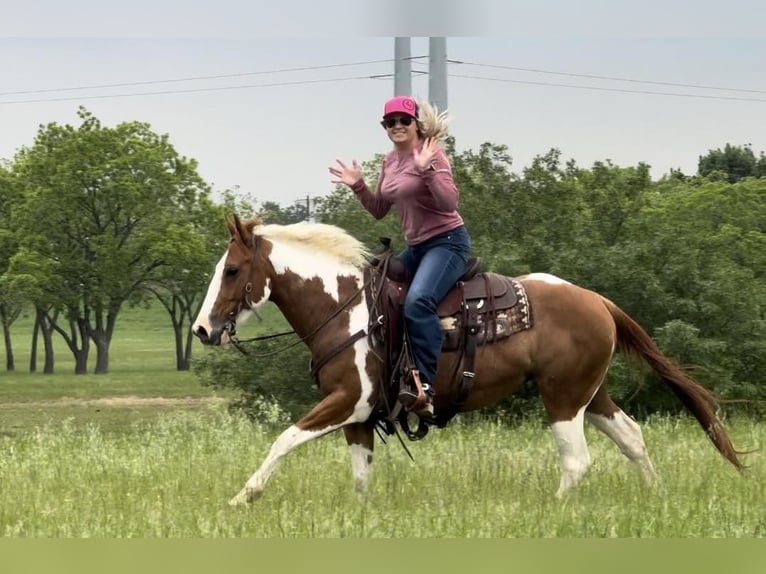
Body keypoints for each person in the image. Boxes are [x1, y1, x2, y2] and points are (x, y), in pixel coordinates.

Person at [329, 95, 472, 419]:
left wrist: (427, 171)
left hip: (447, 243)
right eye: (389, 122)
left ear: (415, 124)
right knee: (370, 284)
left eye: (403, 120)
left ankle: (426, 387)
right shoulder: (390, 161)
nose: (396, 126)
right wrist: (359, 186)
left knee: (418, 302)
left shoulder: (431, 154)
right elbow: (380, 209)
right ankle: (384, 371)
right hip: (417, 248)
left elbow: (449, 203)